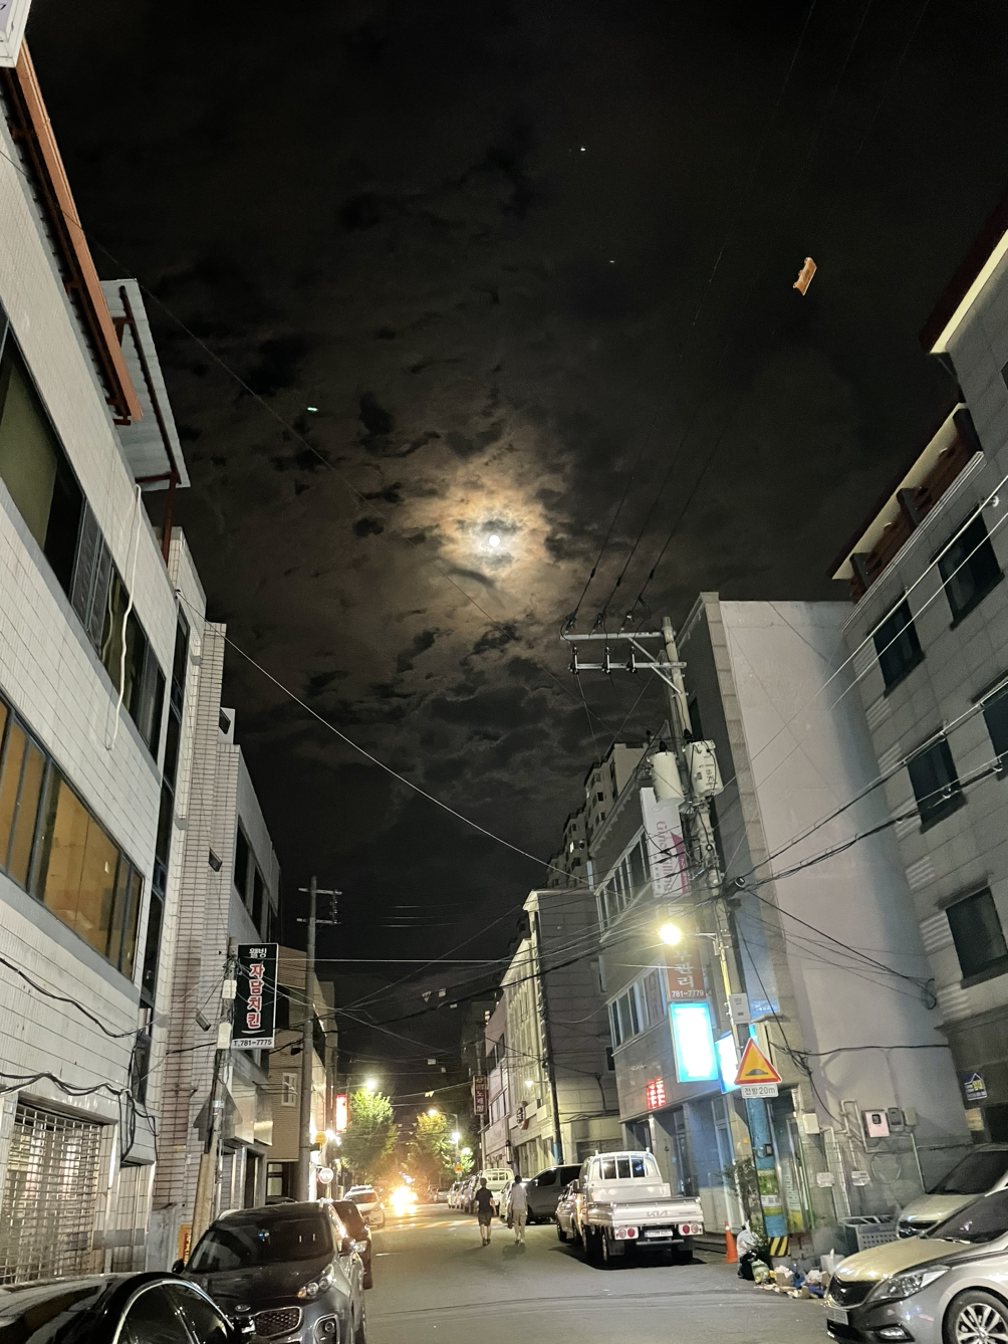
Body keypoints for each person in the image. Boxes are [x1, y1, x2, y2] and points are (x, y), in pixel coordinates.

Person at [473, 1178, 495, 1245]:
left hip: (481, 1210)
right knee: (488, 1225)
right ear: (486, 1183)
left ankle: (483, 1238)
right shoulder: (488, 1192)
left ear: (481, 1184)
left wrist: (475, 1209)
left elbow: (476, 1202)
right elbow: (492, 1201)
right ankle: (488, 1238)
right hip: (488, 1210)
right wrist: (494, 1209)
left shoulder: (478, 1192)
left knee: (481, 1225)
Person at [508, 1177, 528, 1245]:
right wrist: (526, 1208)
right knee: (523, 1223)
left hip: (515, 1208)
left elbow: (511, 1200)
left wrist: (509, 1209)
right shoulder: (523, 1189)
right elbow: (525, 1200)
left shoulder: (513, 1190)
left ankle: (517, 1235)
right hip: (522, 1207)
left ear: (515, 1181)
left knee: (516, 1222)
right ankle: (522, 1238)